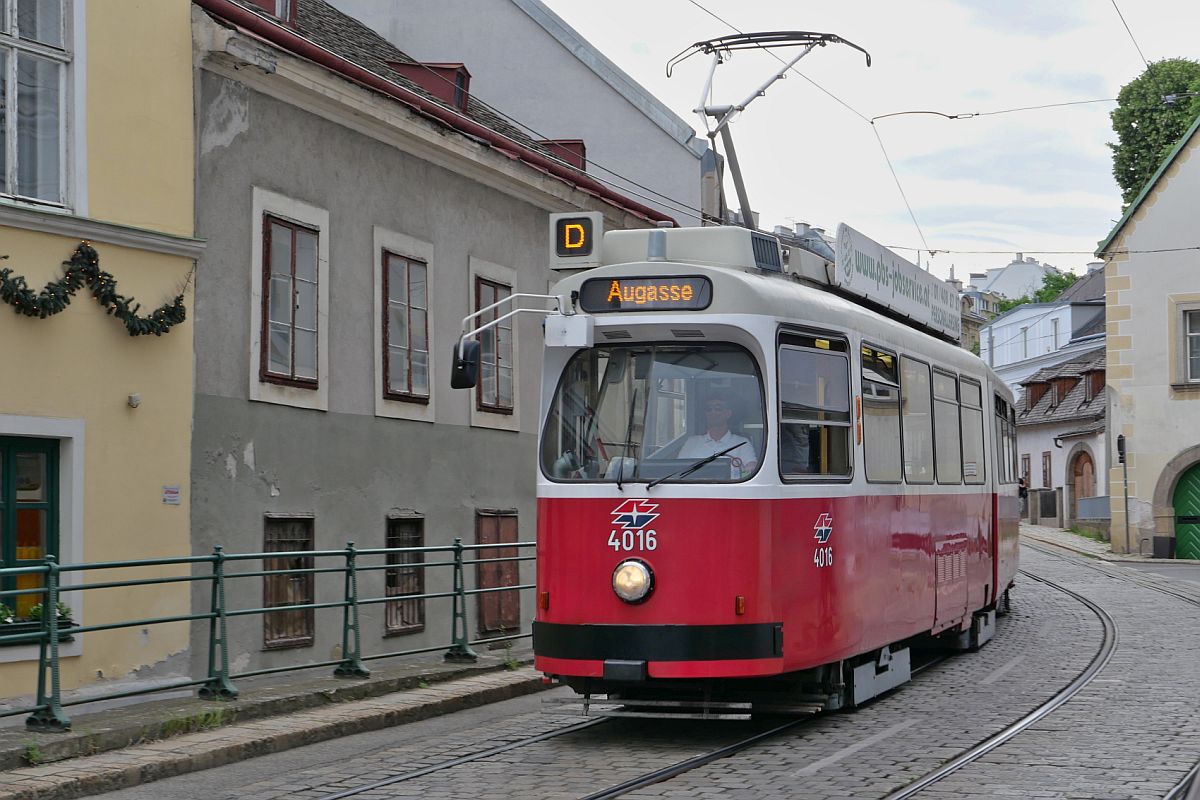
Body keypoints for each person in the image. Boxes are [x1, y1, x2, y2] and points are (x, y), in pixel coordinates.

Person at [678, 393, 757, 478]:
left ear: (728, 413)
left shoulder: (742, 443)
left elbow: (751, 466)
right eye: (709, 409)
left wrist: (751, 467)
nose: (713, 412)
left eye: (718, 408)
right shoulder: (692, 442)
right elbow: (678, 469)